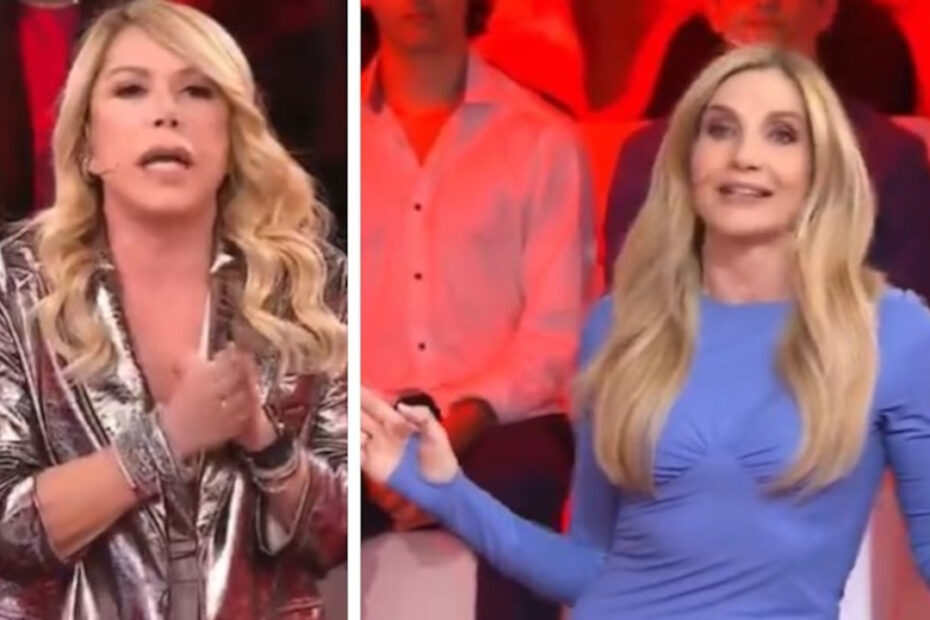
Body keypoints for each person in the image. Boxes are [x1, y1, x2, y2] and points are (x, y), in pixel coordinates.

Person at [361, 45, 930, 619]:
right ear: (687, 161)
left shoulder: (891, 332)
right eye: (721, 130)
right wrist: (447, 492)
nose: (745, 157)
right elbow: (587, 568)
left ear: (822, 168)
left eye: (781, 134)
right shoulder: (622, 326)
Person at [0, 2, 347, 618]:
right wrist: (164, 442)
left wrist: (266, 444)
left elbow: (340, 535)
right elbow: (6, 530)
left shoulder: (308, 287)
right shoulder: (16, 287)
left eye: (197, 91)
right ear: (87, 143)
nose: (167, 113)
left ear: (233, 136)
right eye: (131, 90)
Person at [361, 0, 594, 618]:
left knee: (520, 489)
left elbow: (556, 335)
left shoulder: (543, 138)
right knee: (274, 500)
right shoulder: (324, 148)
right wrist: (376, 439)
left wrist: (461, 423)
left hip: (502, 422)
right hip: (357, 417)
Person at [603, 0, 930, 302]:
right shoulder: (650, 157)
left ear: (827, 10)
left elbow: (908, 322)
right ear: (713, 10)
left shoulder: (892, 158)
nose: (764, 3)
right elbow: (635, 312)